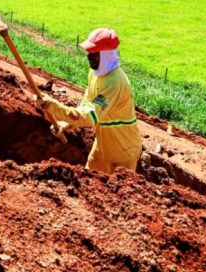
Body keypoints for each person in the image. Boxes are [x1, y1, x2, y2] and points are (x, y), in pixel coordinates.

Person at [37, 28, 142, 174]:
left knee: (116, 194)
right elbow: (87, 103)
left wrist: (53, 106)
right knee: (89, 181)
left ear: (107, 55)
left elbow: (90, 116)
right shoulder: (95, 73)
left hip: (123, 150)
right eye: (89, 52)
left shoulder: (114, 82)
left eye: (94, 53)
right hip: (103, 143)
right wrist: (68, 123)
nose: (89, 56)